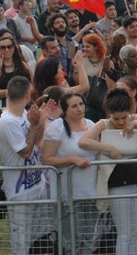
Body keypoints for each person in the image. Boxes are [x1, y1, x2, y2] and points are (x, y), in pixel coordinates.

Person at [79, 89, 137, 255]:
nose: (121, 122)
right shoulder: (103, 124)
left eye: (124, 117)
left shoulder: (133, 119)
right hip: (116, 184)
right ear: (109, 114)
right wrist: (107, 147)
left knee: (134, 232)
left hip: (136, 182)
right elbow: (84, 141)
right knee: (124, 232)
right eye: (116, 118)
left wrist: (134, 123)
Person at [0, 76, 53, 254]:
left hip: (37, 185)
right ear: (28, 94)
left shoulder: (23, 114)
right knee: (22, 241)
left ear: (7, 93)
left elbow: (35, 143)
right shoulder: (7, 121)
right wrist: (36, 124)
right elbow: (25, 151)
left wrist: (40, 122)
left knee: (40, 239)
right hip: (20, 192)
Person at [42, 92, 98, 255]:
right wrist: (72, 159)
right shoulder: (56, 128)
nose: (80, 108)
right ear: (65, 110)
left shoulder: (91, 125)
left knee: (88, 238)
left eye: (81, 104)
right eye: (74, 106)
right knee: (70, 240)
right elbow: (47, 159)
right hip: (68, 194)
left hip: (89, 191)